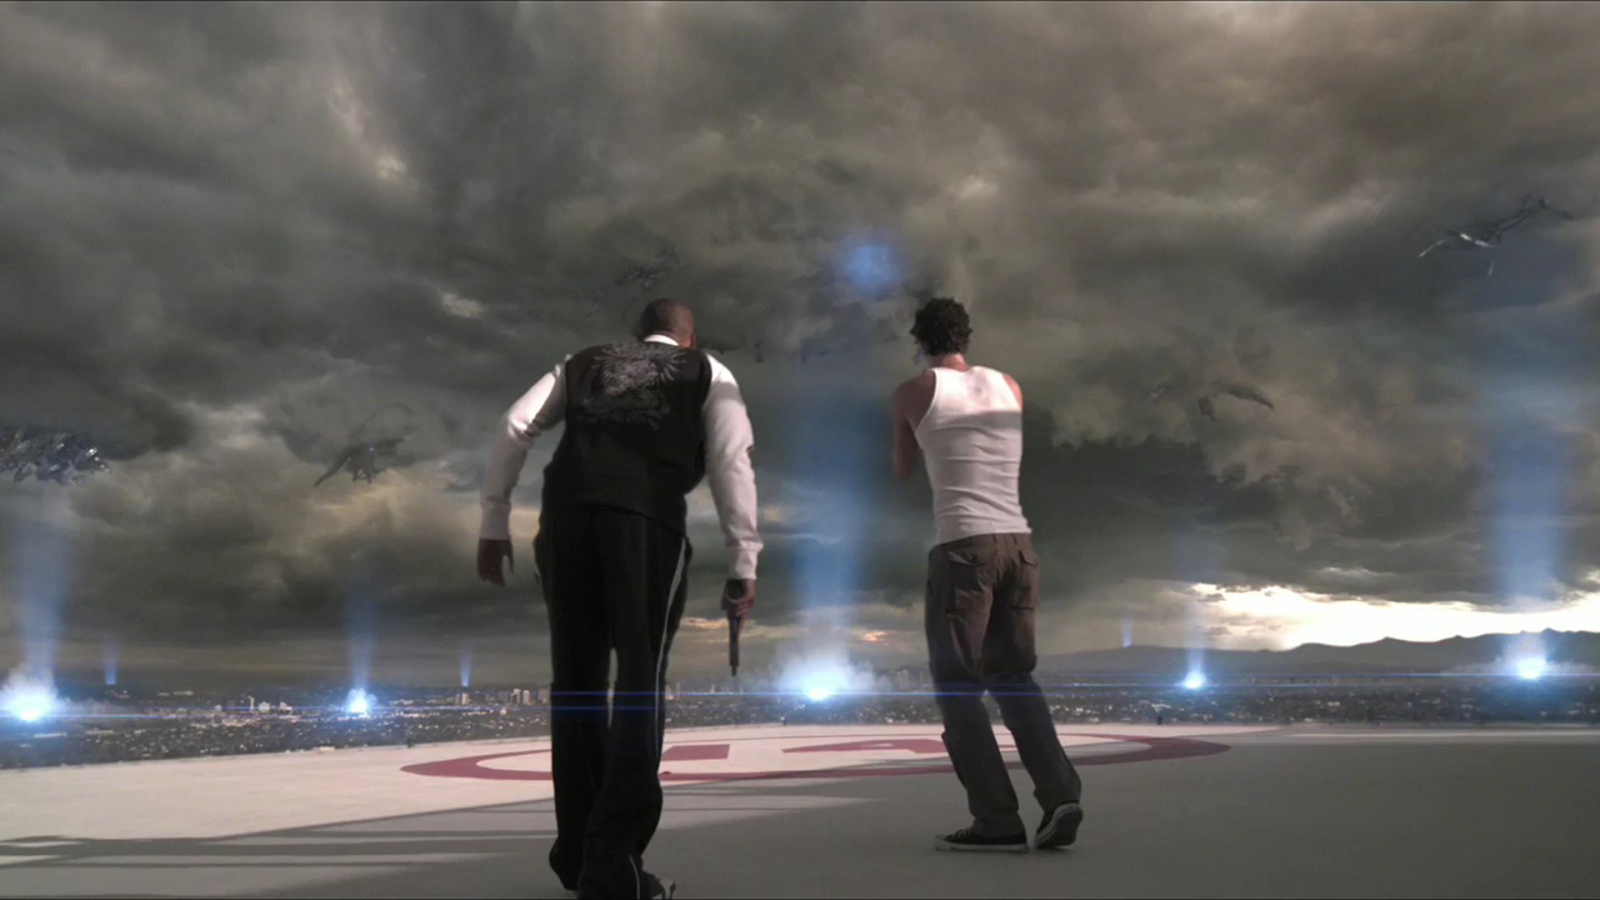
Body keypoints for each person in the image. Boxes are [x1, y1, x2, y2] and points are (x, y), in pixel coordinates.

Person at [478, 298, 762, 899]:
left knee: (575, 684)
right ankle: (613, 868)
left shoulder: (581, 363)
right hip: (645, 523)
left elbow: (513, 425)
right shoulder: (708, 371)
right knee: (639, 681)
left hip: (566, 524)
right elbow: (731, 461)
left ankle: (578, 856)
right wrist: (744, 560)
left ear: (636, 335)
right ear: (689, 339)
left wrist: (493, 522)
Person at [890, 297, 1083, 853]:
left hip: (963, 548)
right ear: (966, 338)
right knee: (1014, 677)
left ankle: (996, 820)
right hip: (1018, 546)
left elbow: (902, 468)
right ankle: (1060, 796)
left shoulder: (913, 392)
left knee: (958, 688)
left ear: (919, 341)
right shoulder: (1009, 386)